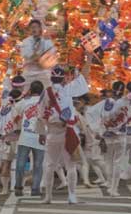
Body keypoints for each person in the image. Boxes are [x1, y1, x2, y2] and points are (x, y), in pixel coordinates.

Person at [36, 65, 89, 204]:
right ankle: (71, 195)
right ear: (63, 78)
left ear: (50, 78)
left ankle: (48, 196)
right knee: (70, 166)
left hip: (52, 133)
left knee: (49, 165)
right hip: (68, 132)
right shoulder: (68, 89)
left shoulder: (46, 93)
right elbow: (83, 86)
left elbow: (40, 113)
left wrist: (42, 132)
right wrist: (76, 72)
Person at [93, 80, 129, 197]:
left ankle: (109, 182)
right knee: (117, 162)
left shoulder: (107, 102)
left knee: (108, 160)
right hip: (121, 134)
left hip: (109, 134)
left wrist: (101, 131)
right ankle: (114, 189)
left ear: (112, 90)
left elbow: (102, 118)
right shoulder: (126, 102)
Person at [14, 80, 46, 197]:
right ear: (42, 91)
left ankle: (18, 187)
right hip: (40, 136)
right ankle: (35, 189)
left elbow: (15, 109)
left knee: (21, 164)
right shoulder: (45, 102)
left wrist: (24, 96)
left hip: (25, 136)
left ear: (31, 90)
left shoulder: (25, 102)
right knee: (38, 164)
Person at [0, 89, 22, 195]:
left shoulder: (3, 109)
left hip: (4, 138)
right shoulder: (18, 108)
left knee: (5, 163)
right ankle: (14, 186)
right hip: (17, 138)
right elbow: (20, 125)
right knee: (15, 163)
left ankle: (4, 189)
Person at [20, 19, 55, 87]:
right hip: (29, 72)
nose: (34, 29)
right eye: (32, 27)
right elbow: (28, 56)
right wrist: (37, 56)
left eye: (36, 27)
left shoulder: (46, 40)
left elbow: (52, 54)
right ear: (29, 29)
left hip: (43, 72)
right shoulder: (25, 41)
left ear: (40, 28)